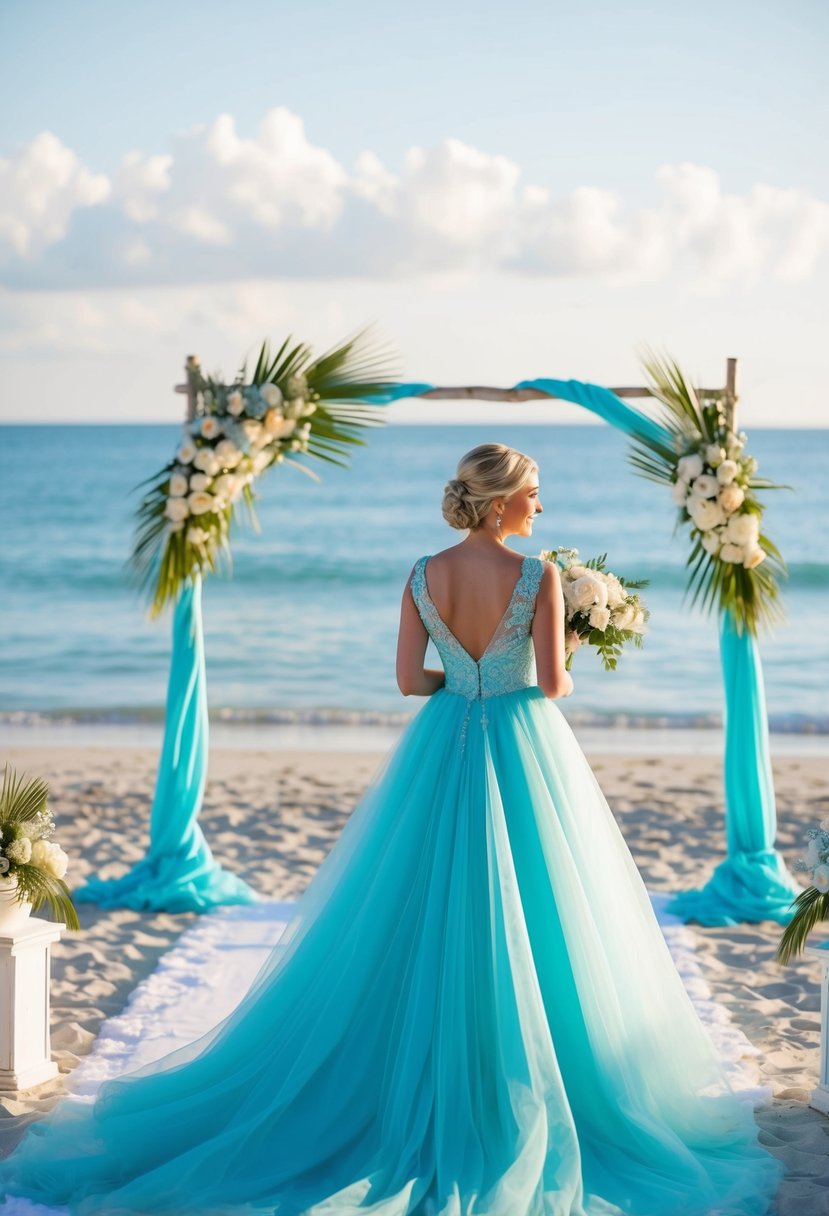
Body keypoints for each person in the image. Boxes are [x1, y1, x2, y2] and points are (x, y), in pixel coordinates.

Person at [0, 443, 784, 1216]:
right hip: (521, 743)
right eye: (532, 492)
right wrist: (566, 645)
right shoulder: (539, 575)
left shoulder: (421, 573)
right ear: (502, 499)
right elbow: (553, 684)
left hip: (442, 745)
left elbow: (410, 680)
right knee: (545, 907)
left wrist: (467, 675)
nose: (539, 506)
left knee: (412, 907)